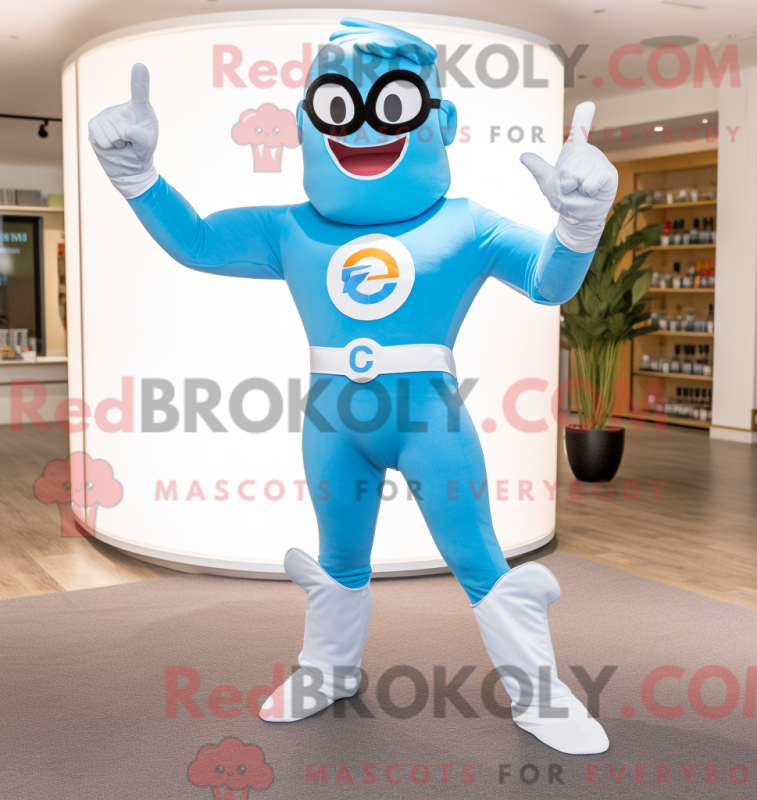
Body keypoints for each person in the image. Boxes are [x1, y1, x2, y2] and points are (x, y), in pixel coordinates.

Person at [88, 18, 617, 754]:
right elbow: (199, 242)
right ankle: (328, 669)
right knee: (338, 556)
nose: (364, 127)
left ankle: (539, 694)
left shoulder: (465, 224)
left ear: (440, 121)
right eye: (339, 106)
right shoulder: (291, 227)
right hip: (332, 425)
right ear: (308, 120)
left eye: (393, 104)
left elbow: (546, 281)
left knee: (477, 558)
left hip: (429, 422)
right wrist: (139, 180)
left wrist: (580, 225)